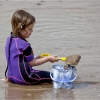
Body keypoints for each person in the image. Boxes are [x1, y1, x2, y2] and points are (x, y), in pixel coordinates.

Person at [5, 10, 58, 85]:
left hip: (11, 77)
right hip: (25, 77)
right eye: (30, 29)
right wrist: (48, 58)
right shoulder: (25, 45)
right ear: (21, 28)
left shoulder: (9, 40)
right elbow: (32, 63)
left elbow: (20, 61)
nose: (32, 31)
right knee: (53, 76)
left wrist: (38, 57)